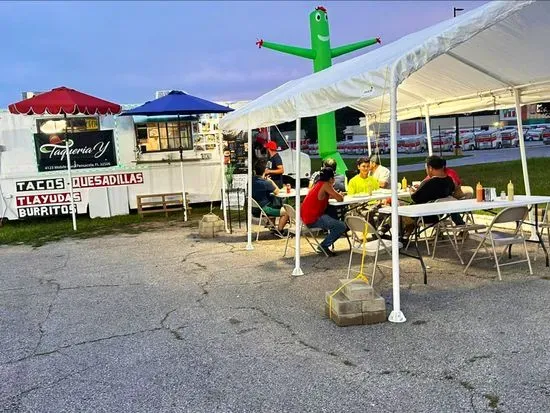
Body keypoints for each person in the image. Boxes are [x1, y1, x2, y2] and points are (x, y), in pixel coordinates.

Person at [301, 167, 346, 256]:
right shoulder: (326, 185)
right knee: (341, 226)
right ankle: (324, 246)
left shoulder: (317, 184)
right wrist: (339, 195)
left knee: (333, 218)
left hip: (305, 217)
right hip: (313, 218)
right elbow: (340, 199)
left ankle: (325, 244)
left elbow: (322, 196)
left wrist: (334, 195)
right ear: (331, 179)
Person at [251, 158, 289, 235]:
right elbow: (277, 192)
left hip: (254, 208)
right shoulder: (266, 183)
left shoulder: (252, 180)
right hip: (264, 209)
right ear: (265, 170)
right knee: (287, 212)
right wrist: (270, 181)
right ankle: (280, 231)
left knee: (274, 203)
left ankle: (273, 227)